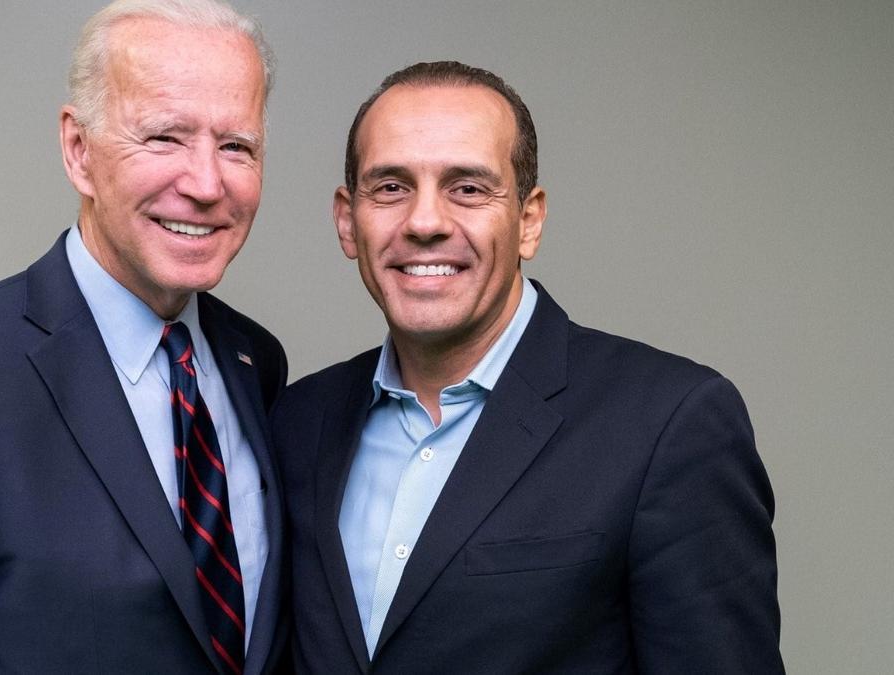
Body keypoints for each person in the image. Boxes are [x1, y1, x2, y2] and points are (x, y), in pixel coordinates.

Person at [0, 1, 287, 672]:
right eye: (164, 137)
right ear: (79, 150)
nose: (207, 184)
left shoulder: (253, 363)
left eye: (236, 146)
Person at [273, 61, 783, 673]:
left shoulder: (669, 425)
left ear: (529, 220)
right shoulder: (296, 423)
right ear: (346, 220)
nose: (425, 222)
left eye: (467, 187)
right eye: (390, 187)